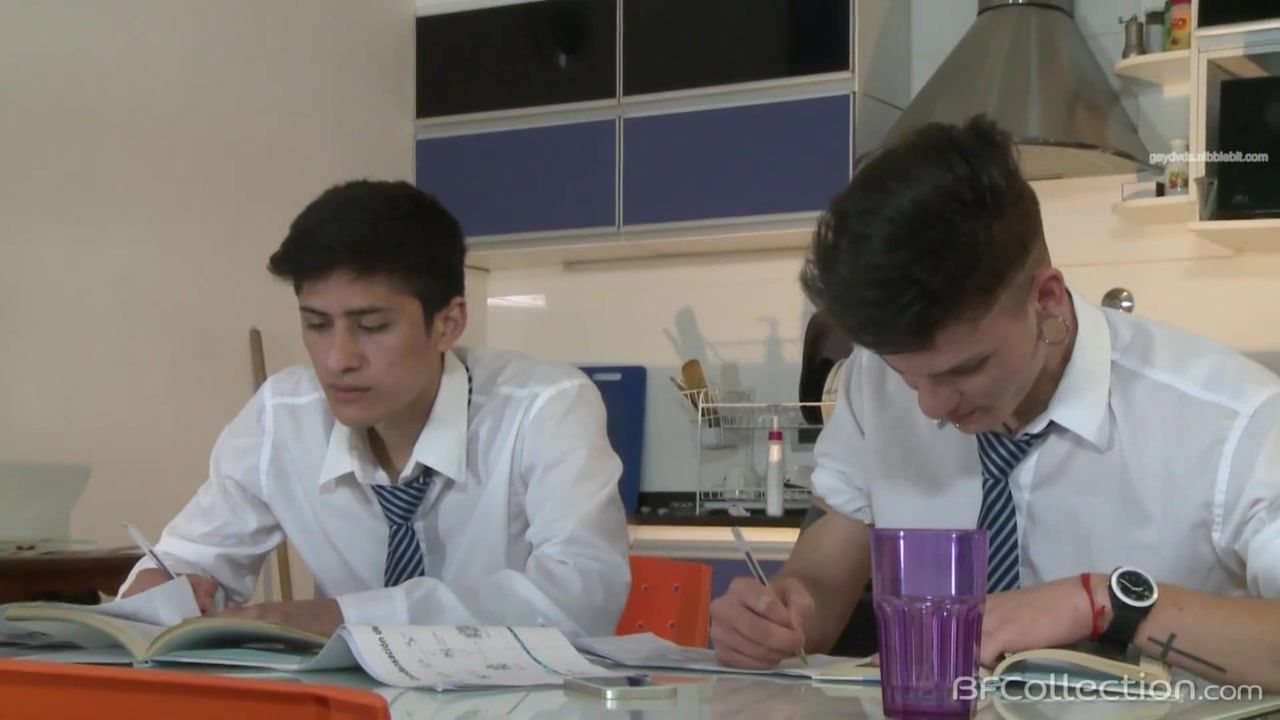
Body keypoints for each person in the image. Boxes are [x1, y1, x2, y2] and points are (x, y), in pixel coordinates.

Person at [708, 115, 1280, 690]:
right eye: (906, 375)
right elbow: (822, 582)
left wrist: (1100, 602)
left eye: (965, 368)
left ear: (1046, 300)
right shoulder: (872, 383)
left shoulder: (1235, 422)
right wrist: (783, 615)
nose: (931, 407)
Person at [120, 180, 631, 638]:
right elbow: (188, 558)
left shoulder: (544, 408)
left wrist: (344, 616)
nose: (338, 359)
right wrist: (166, 590)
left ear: (448, 323)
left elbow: (581, 601)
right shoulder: (283, 414)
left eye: (371, 327)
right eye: (317, 325)